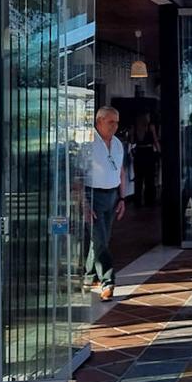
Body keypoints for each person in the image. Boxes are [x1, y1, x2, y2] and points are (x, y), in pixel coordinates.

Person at [84, 106, 127, 301]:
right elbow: (77, 175)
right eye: (111, 122)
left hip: (112, 196)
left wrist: (122, 198)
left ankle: (89, 276)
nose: (115, 126)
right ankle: (108, 282)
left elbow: (121, 172)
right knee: (100, 239)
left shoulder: (118, 144)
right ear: (99, 121)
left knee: (102, 239)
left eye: (117, 122)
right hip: (93, 195)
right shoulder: (88, 142)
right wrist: (83, 202)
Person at [130, 112, 160, 208]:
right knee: (149, 179)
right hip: (148, 153)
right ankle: (149, 201)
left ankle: (138, 201)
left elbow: (132, 141)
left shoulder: (135, 127)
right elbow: (155, 140)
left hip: (139, 153)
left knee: (138, 179)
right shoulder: (150, 127)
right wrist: (159, 151)